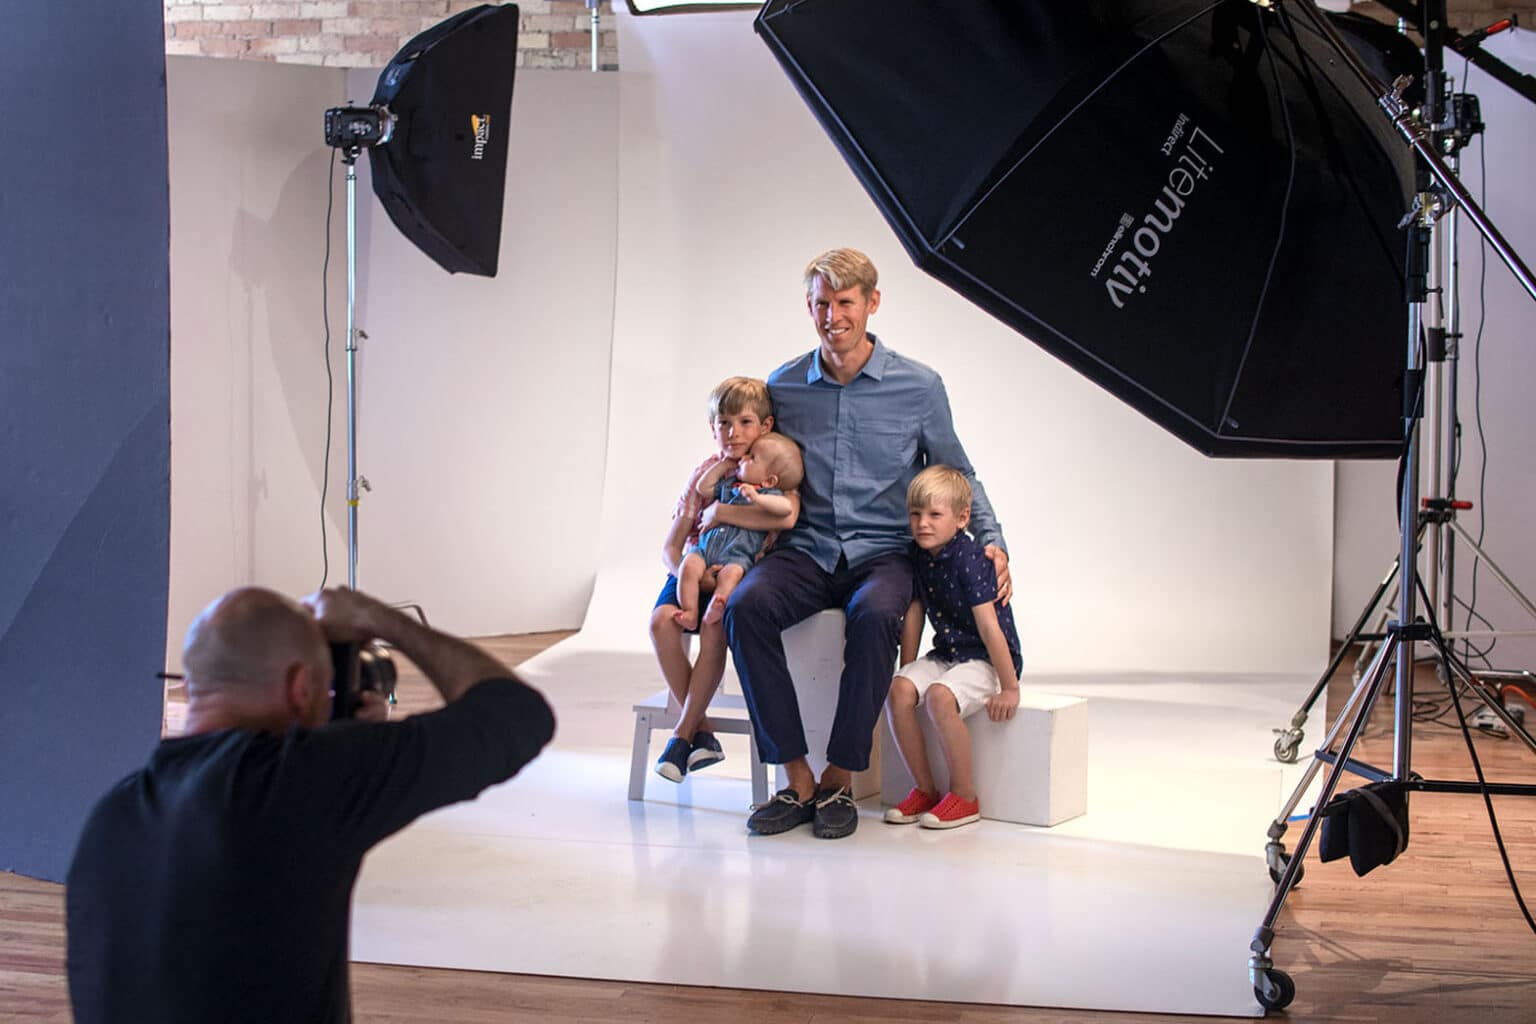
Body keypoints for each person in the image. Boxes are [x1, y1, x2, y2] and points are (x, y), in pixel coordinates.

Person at [65, 586, 555, 1024]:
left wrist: (344, 749)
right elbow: (517, 714)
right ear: (302, 687)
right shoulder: (301, 782)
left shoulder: (111, 816)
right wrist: (377, 618)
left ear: (192, 687)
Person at [718, 247, 1010, 840]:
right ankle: (796, 776)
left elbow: (959, 472)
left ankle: (840, 777)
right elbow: (749, 460)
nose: (833, 316)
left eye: (845, 302)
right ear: (810, 307)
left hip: (884, 552)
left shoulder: (919, 387)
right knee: (746, 608)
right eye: (822, 304)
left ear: (871, 304)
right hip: (806, 547)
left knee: (877, 614)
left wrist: (993, 540)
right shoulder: (783, 386)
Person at [649, 377, 780, 783]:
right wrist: (691, 572)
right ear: (713, 429)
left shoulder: (772, 473)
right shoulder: (707, 474)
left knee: (715, 627)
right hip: (694, 565)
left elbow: (776, 527)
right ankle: (700, 730)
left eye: (744, 423)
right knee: (660, 623)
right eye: (724, 424)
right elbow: (671, 547)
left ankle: (683, 734)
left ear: (765, 426)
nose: (733, 433)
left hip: (734, 572)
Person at [884, 465, 1022, 830]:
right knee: (898, 690)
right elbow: (915, 612)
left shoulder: (971, 559)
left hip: (985, 658)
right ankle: (924, 789)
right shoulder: (918, 553)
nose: (922, 524)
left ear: (962, 519)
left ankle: (964, 796)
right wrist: (908, 670)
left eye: (934, 514)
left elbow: (989, 627)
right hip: (947, 652)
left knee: (940, 698)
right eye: (915, 514)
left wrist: (1009, 687)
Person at [673, 431, 803, 631]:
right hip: (705, 548)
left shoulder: (770, 494)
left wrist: (758, 498)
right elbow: (703, 488)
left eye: (751, 458)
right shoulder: (730, 484)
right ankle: (690, 612)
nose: (743, 458)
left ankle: (718, 603)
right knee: (688, 566)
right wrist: (723, 465)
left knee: (731, 575)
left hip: (738, 556)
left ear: (769, 480)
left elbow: (785, 509)